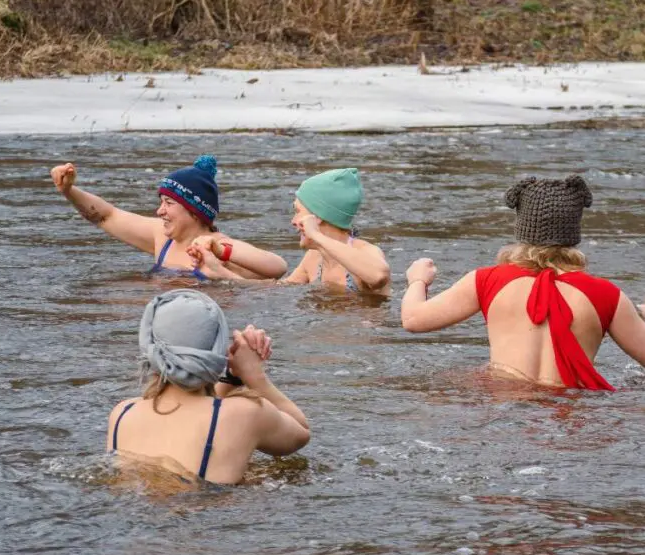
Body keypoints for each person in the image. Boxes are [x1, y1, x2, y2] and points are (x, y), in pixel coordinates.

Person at [400, 175, 645, 390]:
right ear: (574, 233)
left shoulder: (487, 280)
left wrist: (418, 280)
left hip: (502, 408)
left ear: (521, 228)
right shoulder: (604, 294)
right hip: (574, 417)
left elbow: (413, 319)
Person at [107, 289, 310, 484]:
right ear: (217, 351)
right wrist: (254, 375)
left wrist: (232, 379)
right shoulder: (246, 413)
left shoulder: (123, 413)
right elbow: (301, 433)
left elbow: (200, 415)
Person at [50, 157, 287, 280]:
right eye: (161, 202)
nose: (159, 211)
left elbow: (278, 268)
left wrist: (221, 251)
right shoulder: (161, 237)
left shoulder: (217, 246)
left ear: (195, 211)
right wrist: (70, 191)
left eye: (169, 203)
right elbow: (106, 216)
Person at [193, 168, 391, 295]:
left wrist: (316, 236)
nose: (293, 221)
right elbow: (278, 291)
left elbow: (378, 275)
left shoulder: (365, 251)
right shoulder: (314, 258)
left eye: (298, 212)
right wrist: (220, 272)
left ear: (318, 217)